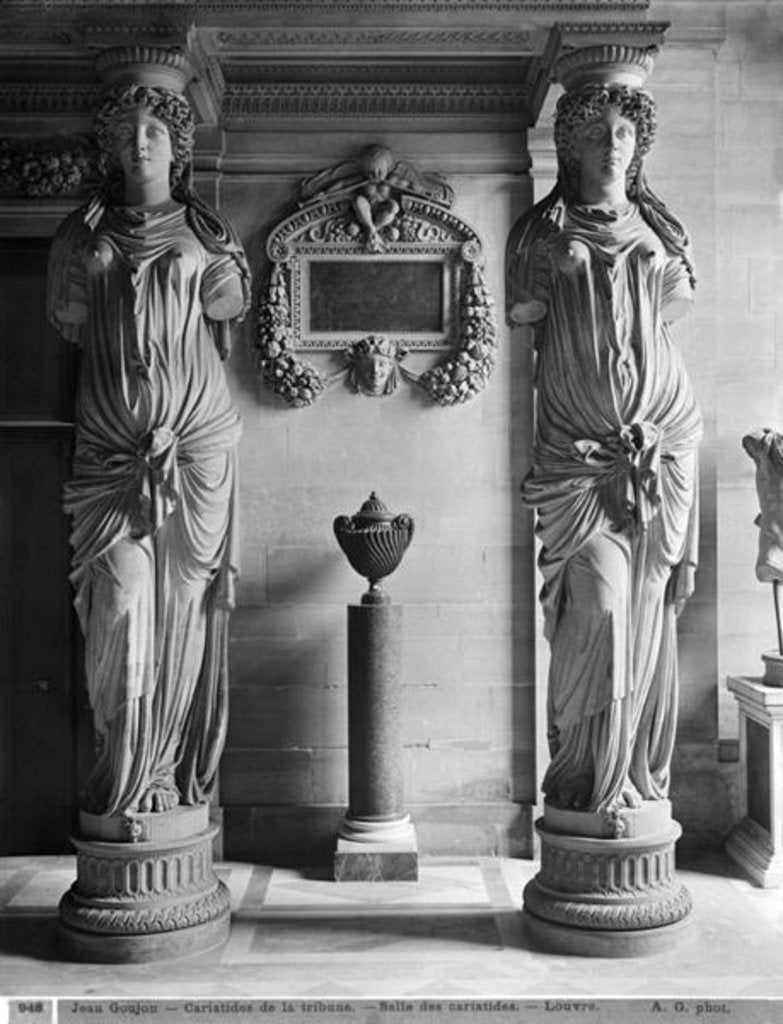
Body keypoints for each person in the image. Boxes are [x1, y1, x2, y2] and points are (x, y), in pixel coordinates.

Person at [47, 83, 250, 817]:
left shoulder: (207, 233)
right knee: (122, 601)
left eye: (154, 132)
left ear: (177, 147)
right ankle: (122, 773)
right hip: (109, 455)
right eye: (126, 132)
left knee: (181, 611)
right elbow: (72, 316)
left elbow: (227, 306)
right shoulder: (80, 235)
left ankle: (161, 773)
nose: (139, 144)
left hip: (195, 450)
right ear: (108, 147)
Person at [506, 83, 702, 817]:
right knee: (600, 607)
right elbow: (526, 309)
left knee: (646, 614)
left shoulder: (661, 231)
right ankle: (585, 775)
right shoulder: (539, 236)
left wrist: (662, 434)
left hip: (664, 447)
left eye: (624, 132)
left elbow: (672, 307)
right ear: (570, 147)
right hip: (576, 463)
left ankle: (629, 780)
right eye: (596, 133)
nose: (612, 145)